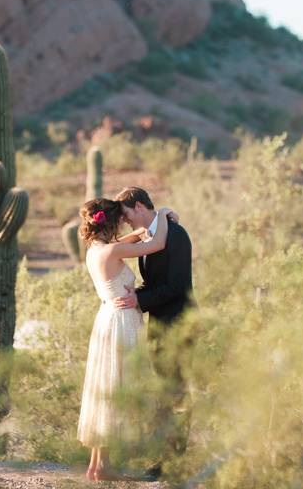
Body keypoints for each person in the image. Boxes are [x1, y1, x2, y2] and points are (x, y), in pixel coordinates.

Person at [76, 197, 173, 481]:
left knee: (105, 384)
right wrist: (163, 215)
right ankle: (103, 466)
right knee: (115, 386)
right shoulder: (113, 250)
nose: (123, 223)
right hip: (120, 323)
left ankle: (97, 464)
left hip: (107, 318)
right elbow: (158, 245)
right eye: (120, 219)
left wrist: (142, 230)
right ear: (111, 221)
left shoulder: (96, 250)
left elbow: (132, 240)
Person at [113, 186, 194, 478]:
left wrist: (140, 300)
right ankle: (167, 460)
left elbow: (178, 285)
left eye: (126, 215)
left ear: (138, 207)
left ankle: (173, 463)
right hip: (160, 324)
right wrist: (137, 294)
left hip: (179, 324)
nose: (125, 222)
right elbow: (157, 282)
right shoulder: (150, 236)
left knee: (175, 392)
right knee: (166, 392)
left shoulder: (176, 234)